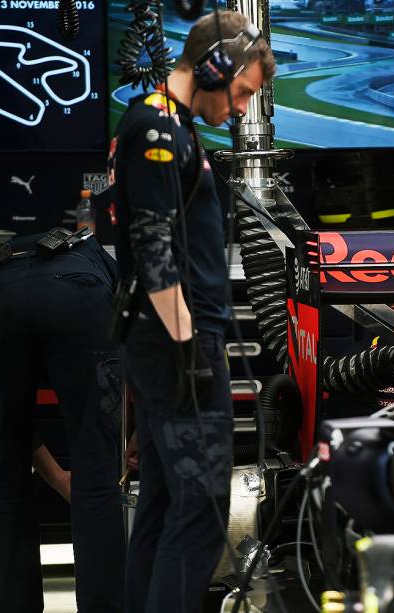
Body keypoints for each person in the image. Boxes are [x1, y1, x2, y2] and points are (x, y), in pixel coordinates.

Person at [107, 10, 275, 613]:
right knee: (202, 509)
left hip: (169, 340)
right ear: (214, 66)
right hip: (176, 342)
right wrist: (189, 354)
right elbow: (154, 255)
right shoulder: (156, 129)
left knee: (162, 501)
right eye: (241, 92)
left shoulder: (170, 125)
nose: (238, 109)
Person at [0, 231, 124, 613]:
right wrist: (134, 437)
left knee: (4, 468)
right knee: (98, 472)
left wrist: (55, 476)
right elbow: (147, 359)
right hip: (78, 291)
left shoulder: (1, 278)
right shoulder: (107, 268)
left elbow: (9, 430)